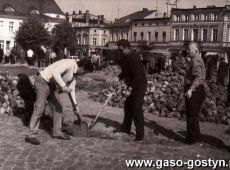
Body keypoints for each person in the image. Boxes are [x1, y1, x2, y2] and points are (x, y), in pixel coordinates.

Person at [25, 58, 81, 145]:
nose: (83, 73)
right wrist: (63, 86)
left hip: (52, 85)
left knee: (58, 107)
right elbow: (54, 72)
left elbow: (71, 90)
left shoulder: (74, 76)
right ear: (81, 67)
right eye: (84, 70)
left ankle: (57, 132)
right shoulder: (69, 63)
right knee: (40, 108)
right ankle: (30, 135)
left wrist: (75, 106)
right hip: (42, 81)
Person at [113, 39, 147, 141]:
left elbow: (138, 76)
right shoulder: (125, 57)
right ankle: (125, 129)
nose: (120, 52)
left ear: (127, 48)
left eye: (121, 50)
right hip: (131, 85)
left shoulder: (134, 58)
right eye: (119, 50)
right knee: (127, 108)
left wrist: (130, 89)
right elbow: (125, 71)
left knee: (136, 108)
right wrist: (118, 77)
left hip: (139, 85)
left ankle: (140, 134)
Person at [184, 42, 206, 144]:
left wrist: (190, 89)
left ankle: (193, 139)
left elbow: (198, 77)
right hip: (194, 89)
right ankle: (192, 137)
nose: (187, 51)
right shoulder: (194, 59)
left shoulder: (196, 60)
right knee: (191, 114)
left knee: (192, 115)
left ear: (196, 51)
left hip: (195, 90)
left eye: (189, 49)